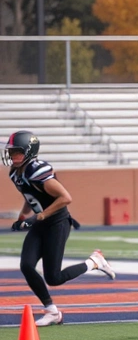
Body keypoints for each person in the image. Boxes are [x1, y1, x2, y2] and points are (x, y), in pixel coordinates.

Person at [5, 130, 115, 326]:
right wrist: (24, 215)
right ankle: (52, 311)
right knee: (26, 265)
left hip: (57, 223)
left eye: (17, 152)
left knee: (53, 277)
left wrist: (39, 216)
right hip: (41, 222)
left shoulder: (36, 170)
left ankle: (94, 262)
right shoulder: (15, 172)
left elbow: (65, 198)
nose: (13, 156)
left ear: (29, 152)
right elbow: (30, 195)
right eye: (11, 152)